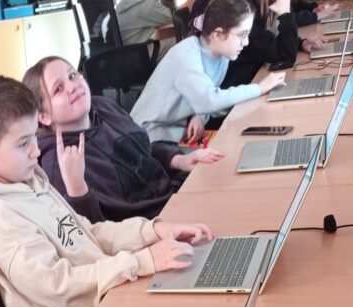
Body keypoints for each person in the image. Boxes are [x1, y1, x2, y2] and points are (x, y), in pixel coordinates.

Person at [0, 75, 213, 307]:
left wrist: (153, 231)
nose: (35, 150)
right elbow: (57, 287)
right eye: (23, 143)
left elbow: (86, 231)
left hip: (99, 296)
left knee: (191, 295)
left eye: (33, 137)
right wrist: (141, 262)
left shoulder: (27, 179)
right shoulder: (0, 215)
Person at [22, 55, 224, 223]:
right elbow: (93, 234)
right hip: (153, 227)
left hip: (175, 195)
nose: (72, 86)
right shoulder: (58, 163)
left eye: (72, 75)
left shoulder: (102, 107)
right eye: (58, 89)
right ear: (43, 116)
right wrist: (78, 191)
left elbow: (141, 150)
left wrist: (180, 160)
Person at [130, 0, 287, 144]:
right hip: (147, 139)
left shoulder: (221, 56)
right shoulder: (186, 55)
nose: (246, 43)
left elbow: (205, 96)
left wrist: (199, 115)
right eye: (242, 35)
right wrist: (259, 88)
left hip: (179, 132)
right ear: (217, 34)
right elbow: (211, 100)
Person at [191, 0, 327, 89]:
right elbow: (285, 56)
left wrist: (300, 43)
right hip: (231, 103)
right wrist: (285, 13)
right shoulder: (238, 10)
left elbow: (266, 42)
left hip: (247, 87)